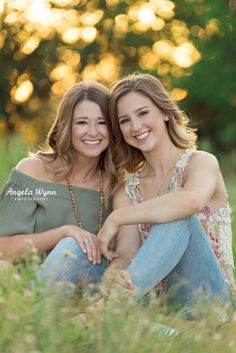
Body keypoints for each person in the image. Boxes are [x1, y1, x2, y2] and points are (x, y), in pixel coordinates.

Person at [97, 73, 234, 315]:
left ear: (165, 112)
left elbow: (191, 201)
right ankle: (132, 320)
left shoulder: (201, 163)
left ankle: (105, 313)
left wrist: (116, 217)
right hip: (159, 305)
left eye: (143, 113)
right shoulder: (127, 190)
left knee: (177, 217)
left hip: (211, 301)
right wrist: (113, 274)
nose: (136, 126)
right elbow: (127, 253)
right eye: (124, 120)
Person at [0, 81, 118, 290]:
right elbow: (3, 250)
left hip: (84, 290)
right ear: (66, 125)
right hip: (22, 285)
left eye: (102, 122)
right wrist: (64, 232)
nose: (93, 132)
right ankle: (36, 309)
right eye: (82, 122)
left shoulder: (117, 184)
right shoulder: (32, 170)